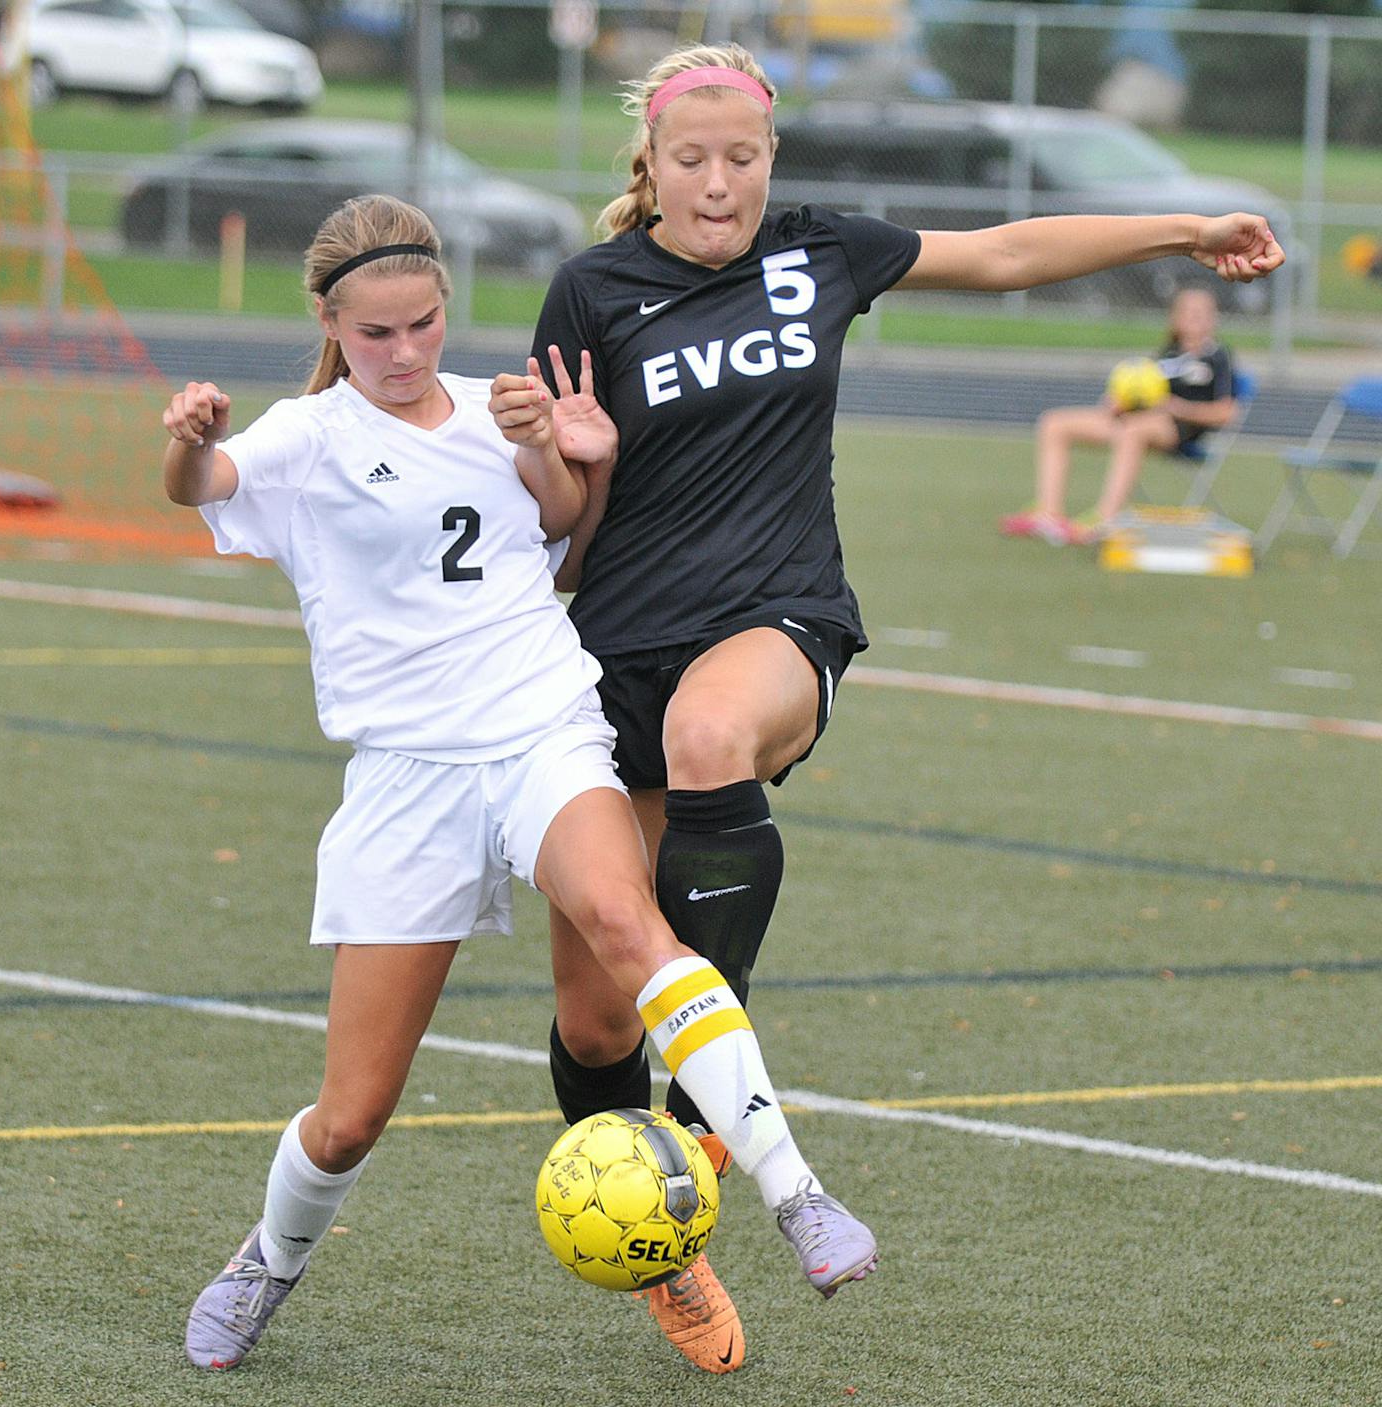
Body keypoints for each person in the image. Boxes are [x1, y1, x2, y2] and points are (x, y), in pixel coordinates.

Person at [525, 42, 1284, 1376]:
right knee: (594, 1024)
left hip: (777, 619)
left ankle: (711, 1109)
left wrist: (1185, 225)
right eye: (692, 162)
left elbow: (1002, 251)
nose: (719, 184)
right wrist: (558, 460)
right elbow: (564, 532)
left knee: (713, 736)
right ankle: (670, 1244)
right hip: (609, 651)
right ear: (651, 167)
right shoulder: (592, 291)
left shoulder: (824, 252)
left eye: (742, 160)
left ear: (771, 164)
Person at [163, 193, 878, 1373]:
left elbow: (558, 534)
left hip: (541, 727)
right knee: (349, 1119)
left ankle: (796, 1195)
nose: (405, 354)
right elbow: (199, 487)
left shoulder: (501, 406)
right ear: (335, 326)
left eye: (424, 324)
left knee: (623, 923)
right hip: (406, 774)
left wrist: (555, 447)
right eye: (378, 335)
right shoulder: (307, 434)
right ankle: (265, 1264)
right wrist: (190, 435)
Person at [999, 286, 1237, 545]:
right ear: (1175, 318)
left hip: (1178, 430)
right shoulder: (1165, 355)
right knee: (1054, 423)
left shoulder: (1218, 357)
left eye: (1203, 312)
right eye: (1190, 312)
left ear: (1214, 318)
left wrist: (1176, 407)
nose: (1196, 318)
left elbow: (1225, 413)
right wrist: (1119, 402)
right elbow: (1141, 391)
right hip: (1134, 420)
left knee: (1133, 430)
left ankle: (1105, 518)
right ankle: (1048, 513)